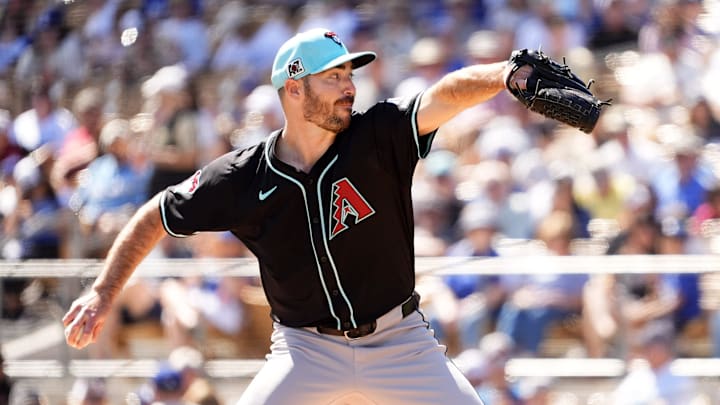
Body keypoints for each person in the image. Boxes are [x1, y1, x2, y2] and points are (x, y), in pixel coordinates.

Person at [63, 27, 533, 404]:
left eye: (350, 74)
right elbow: (156, 215)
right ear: (294, 88)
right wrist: (104, 292)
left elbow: (443, 96)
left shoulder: (377, 135)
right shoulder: (240, 176)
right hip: (306, 351)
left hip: (401, 342)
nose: (349, 87)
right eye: (333, 77)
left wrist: (506, 73)